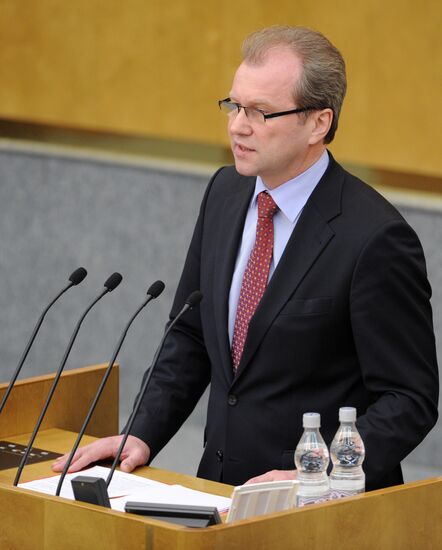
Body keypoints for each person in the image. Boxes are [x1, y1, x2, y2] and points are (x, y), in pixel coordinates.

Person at [53, 25, 439, 491]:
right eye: (235, 105)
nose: (238, 125)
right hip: (217, 495)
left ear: (319, 122)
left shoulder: (375, 237)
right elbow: (190, 335)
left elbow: (408, 397)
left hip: (320, 512)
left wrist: (320, 473)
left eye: (261, 112)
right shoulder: (225, 191)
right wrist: (142, 431)